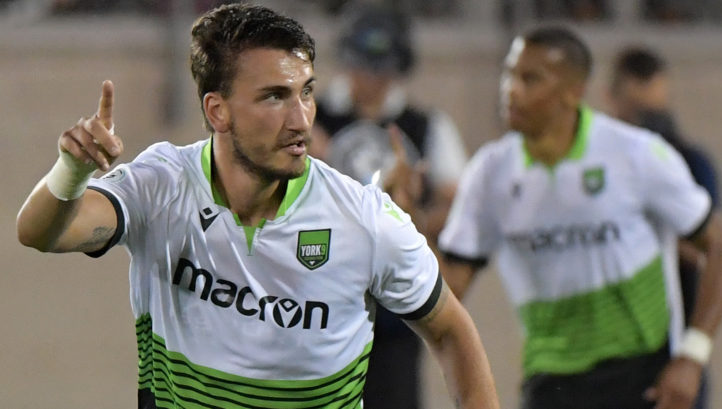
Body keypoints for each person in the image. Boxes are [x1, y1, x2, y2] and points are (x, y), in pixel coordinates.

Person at [15, 4, 500, 409]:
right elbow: (41, 232)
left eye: (305, 92)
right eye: (274, 97)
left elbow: (453, 330)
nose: (301, 120)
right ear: (217, 110)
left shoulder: (365, 218)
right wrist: (72, 172)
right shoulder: (162, 184)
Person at [438, 26, 722, 409]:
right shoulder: (489, 173)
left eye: (530, 78)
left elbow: (719, 244)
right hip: (550, 383)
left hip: (643, 378)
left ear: (573, 92)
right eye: (509, 74)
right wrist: (402, 225)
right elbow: (449, 288)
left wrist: (693, 355)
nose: (511, 89)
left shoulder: (635, 155)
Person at [311, 5, 468, 408]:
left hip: (393, 310)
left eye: (380, 69)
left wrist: (407, 215)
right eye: (364, 67)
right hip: (318, 297)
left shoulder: (426, 125)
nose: (371, 79)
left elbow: (457, 203)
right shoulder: (311, 119)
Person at [607, 46, 722, 409]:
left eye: (655, 112)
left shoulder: (689, 163)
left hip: (669, 346)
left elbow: (711, 249)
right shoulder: (597, 168)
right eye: (638, 114)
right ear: (612, 101)